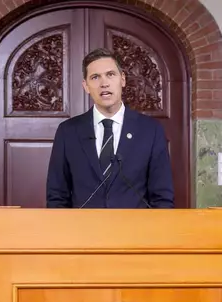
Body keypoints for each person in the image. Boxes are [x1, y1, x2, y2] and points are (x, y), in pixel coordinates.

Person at [46, 48, 174, 208]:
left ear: (123, 79)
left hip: (135, 231)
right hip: (82, 231)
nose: (104, 83)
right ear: (86, 86)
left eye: (110, 74)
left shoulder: (150, 130)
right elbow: (57, 196)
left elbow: (162, 197)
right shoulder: (68, 131)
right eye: (95, 77)